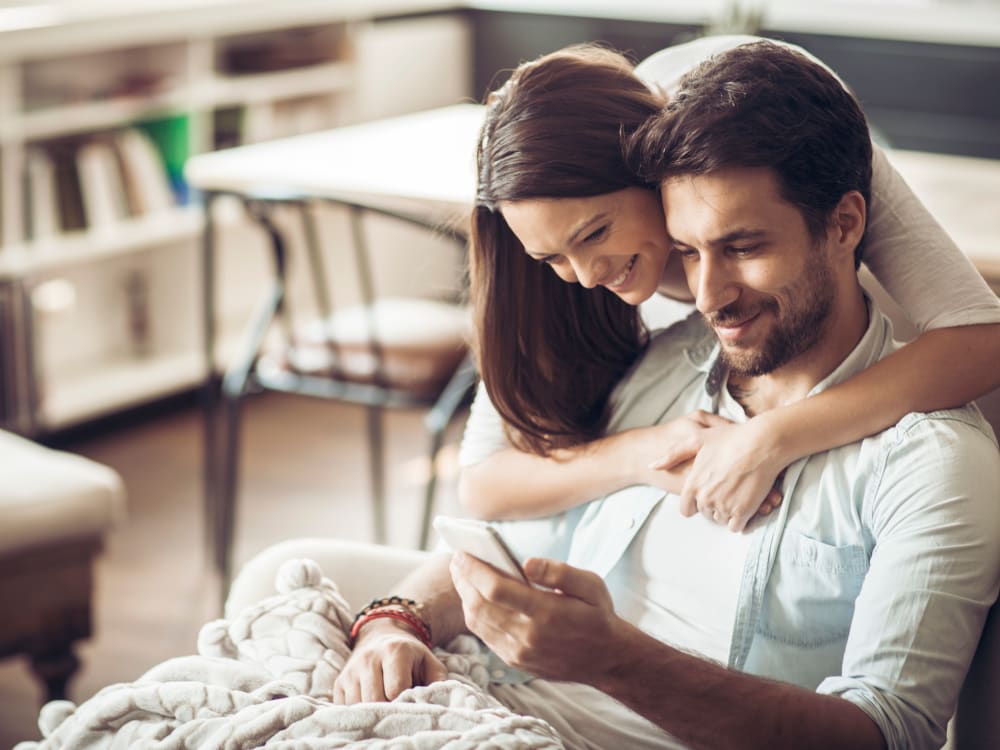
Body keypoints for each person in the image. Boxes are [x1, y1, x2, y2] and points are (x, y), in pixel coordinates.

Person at [332, 41, 1000, 750]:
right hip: (487, 702)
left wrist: (612, 657)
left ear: (843, 224)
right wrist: (392, 621)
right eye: (686, 252)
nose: (707, 297)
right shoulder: (668, 360)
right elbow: (498, 525)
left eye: (742, 246)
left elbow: (889, 734)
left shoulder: (927, 464)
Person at [460, 36, 1000, 532]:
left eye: (598, 232)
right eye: (551, 256)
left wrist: (773, 435)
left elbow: (983, 338)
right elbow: (483, 482)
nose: (586, 276)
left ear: (655, 170)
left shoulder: (761, 122)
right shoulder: (545, 218)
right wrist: (639, 454)